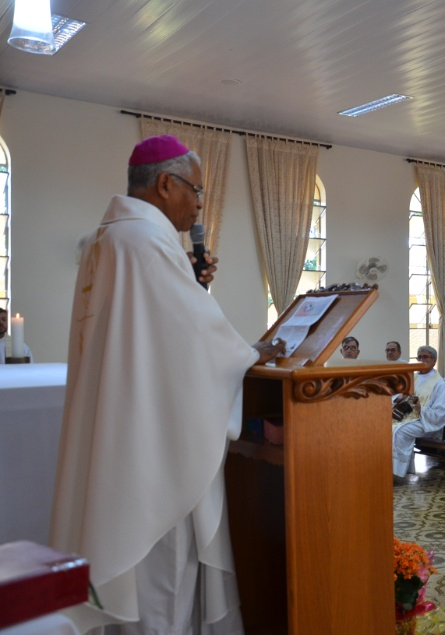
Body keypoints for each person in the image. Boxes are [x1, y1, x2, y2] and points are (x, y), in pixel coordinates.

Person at [50, 135, 286, 634]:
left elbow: (155, 339)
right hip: (153, 446)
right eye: (196, 192)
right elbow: (197, 344)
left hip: (120, 433)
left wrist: (194, 285)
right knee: (164, 576)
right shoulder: (148, 242)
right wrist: (252, 353)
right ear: (164, 183)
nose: (199, 205)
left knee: (137, 578)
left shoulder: (108, 238)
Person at [392, 346, 445, 482]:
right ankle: (390, 467)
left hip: (427, 423)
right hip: (409, 418)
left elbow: (440, 413)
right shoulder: (413, 378)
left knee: (400, 432)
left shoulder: (440, 384)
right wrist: (400, 397)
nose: (421, 360)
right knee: (386, 428)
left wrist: (421, 408)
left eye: (425, 357)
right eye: (419, 357)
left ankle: (397, 473)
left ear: (434, 360)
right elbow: (400, 396)